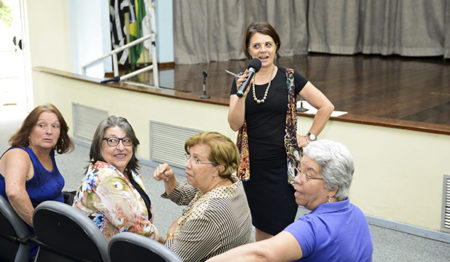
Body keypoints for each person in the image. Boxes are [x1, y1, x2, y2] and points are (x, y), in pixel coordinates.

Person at [228, 21, 335, 241]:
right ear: (248, 50)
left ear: (276, 46)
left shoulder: (290, 77)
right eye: (256, 46)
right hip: (253, 169)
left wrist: (309, 137)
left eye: (268, 44)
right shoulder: (241, 81)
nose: (263, 50)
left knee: (281, 227)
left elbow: (326, 106)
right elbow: (235, 124)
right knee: (261, 225)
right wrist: (241, 93)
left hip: (283, 169)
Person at [207, 139, 374, 262]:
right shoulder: (356, 214)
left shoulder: (314, 227)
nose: (297, 179)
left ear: (332, 188)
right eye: (299, 170)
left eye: (308, 175)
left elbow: (262, 254)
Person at [153, 131, 252, 262]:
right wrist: (169, 179)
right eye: (189, 156)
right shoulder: (231, 183)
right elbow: (184, 195)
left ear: (219, 168)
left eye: (197, 160)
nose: (187, 164)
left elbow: (172, 259)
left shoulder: (209, 214)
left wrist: (170, 233)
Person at [0, 103, 74, 258]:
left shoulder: (46, 152)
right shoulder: (19, 155)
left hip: (54, 221)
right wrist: (44, 231)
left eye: (55, 126)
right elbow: (14, 192)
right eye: (41, 125)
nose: (49, 131)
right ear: (29, 130)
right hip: (34, 237)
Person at [72, 116, 160, 242]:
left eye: (126, 140)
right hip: (105, 252)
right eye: (112, 141)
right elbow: (138, 231)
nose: (121, 147)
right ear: (99, 145)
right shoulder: (106, 178)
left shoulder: (130, 172)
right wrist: (166, 241)